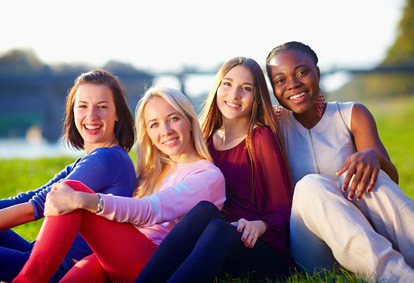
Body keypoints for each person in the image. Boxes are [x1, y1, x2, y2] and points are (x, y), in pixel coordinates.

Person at [12, 86, 226, 282]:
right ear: (149, 134)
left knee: (75, 191)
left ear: (189, 120)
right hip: (118, 256)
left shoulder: (207, 176)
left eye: (173, 119)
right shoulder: (153, 172)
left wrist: (89, 200)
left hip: (154, 262)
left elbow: (150, 210)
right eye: (154, 124)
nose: (165, 131)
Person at [265, 41, 414, 282]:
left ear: (317, 73)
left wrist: (375, 157)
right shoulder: (274, 126)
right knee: (310, 185)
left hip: (365, 230)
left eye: (301, 72)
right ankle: (396, 277)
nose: (293, 84)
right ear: (273, 88)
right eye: (280, 80)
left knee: (366, 173)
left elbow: (391, 184)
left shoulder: (351, 114)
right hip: (313, 250)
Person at [136, 57, 294, 283]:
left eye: (246, 88)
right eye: (227, 84)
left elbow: (283, 210)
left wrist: (260, 226)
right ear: (217, 88)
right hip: (211, 243)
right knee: (204, 211)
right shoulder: (206, 140)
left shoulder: (260, 138)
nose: (234, 94)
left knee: (219, 229)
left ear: (256, 96)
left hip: (256, 245)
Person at [0, 69, 137, 282]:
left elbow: (34, 210)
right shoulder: (90, 160)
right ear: (73, 111)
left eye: (102, 107)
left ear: (117, 113)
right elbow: (28, 198)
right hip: (41, 257)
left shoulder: (109, 159)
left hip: (60, 271)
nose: (91, 116)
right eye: (82, 106)